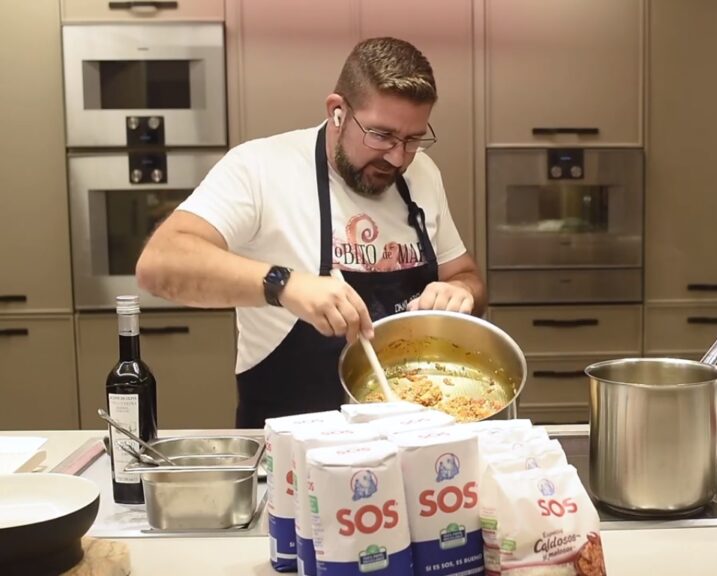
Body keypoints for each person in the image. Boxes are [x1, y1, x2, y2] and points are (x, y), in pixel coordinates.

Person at [136, 37, 485, 428]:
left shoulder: (424, 174)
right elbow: (160, 263)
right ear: (337, 111)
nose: (398, 157)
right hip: (293, 461)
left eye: (412, 139)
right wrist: (284, 284)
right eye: (381, 135)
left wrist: (462, 294)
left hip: (415, 444)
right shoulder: (262, 168)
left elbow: (465, 275)